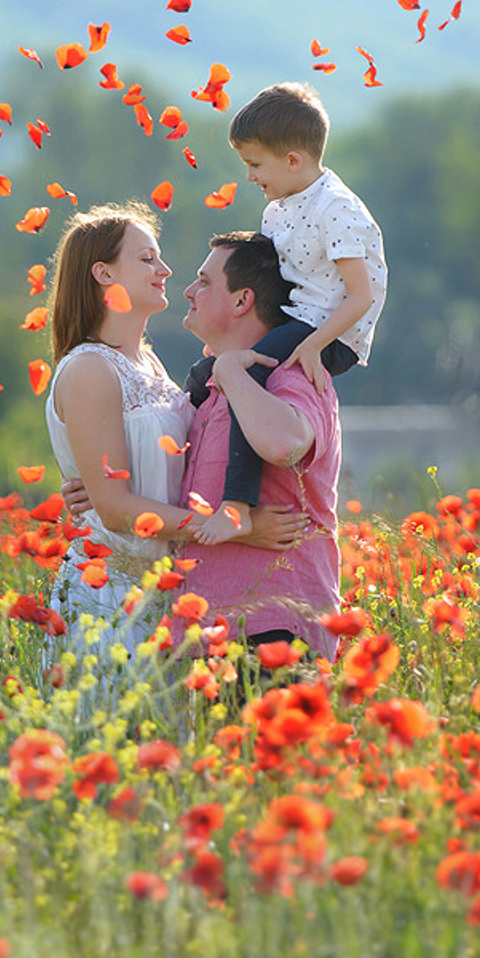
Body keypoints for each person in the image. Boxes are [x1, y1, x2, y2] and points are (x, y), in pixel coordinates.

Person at [44, 204, 303, 660]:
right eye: (147, 259)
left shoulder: (148, 363)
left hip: (169, 595)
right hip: (109, 595)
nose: (164, 270)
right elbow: (115, 509)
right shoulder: (89, 369)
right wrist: (232, 529)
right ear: (103, 274)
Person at [188, 81, 386, 547]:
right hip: (298, 319)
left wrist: (314, 345)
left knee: (244, 375)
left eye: (255, 165)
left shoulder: (336, 208)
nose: (249, 176)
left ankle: (237, 506)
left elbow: (360, 297)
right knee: (204, 375)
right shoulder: (278, 209)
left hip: (330, 332)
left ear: (293, 160)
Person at [179, 230, 342, 660]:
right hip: (208, 635)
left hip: (274, 631)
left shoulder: (295, 374)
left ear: (241, 300)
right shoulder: (205, 392)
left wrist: (232, 371)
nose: (189, 291)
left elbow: (284, 444)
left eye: (204, 281)